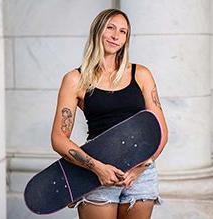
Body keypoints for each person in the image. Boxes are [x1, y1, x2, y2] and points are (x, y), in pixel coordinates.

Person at [51, 8, 168, 219]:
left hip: (141, 173)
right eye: (110, 28)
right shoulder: (75, 80)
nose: (116, 36)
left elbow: (160, 131)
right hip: (96, 172)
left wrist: (140, 169)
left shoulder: (140, 74)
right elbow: (59, 138)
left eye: (123, 32)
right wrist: (97, 168)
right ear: (97, 30)